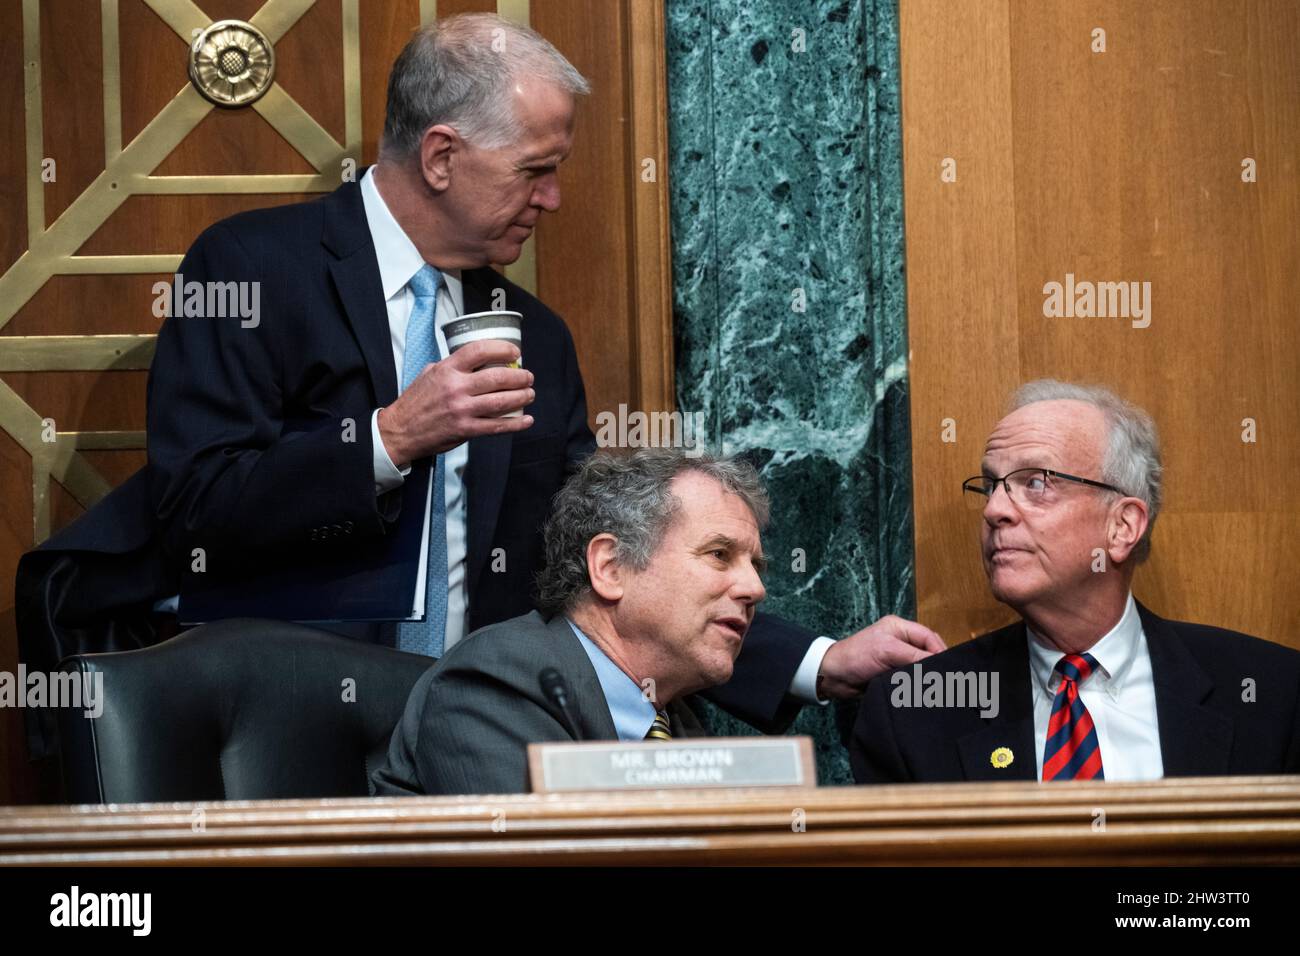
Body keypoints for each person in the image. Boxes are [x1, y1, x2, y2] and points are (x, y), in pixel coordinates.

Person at [136, 13, 943, 734]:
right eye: (534, 170)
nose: (553, 199)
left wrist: (814, 660)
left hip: (474, 729)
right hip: (285, 728)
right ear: (442, 155)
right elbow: (196, 508)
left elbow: (604, 554)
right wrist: (390, 438)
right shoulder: (251, 268)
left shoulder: (538, 339)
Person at [851, 380, 1300, 783]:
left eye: (1036, 483)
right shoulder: (913, 712)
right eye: (992, 486)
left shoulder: (1272, 694)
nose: (994, 511)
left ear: (1122, 526)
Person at [376, 449, 776, 795]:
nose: (755, 588)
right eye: (720, 554)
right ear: (610, 567)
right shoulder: (495, 681)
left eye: (756, 566)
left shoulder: (677, 722)